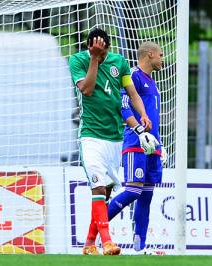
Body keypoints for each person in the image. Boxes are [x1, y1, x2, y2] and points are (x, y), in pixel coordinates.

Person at [69, 28, 157, 256]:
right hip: (91, 136)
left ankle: (89, 244)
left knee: (106, 192)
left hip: (115, 138)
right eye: (97, 52)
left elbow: (132, 93)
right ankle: (107, 242)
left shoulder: (120, 62)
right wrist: (94, 60)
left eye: (104, 52)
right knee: (98, 187)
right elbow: (87, 90)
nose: (102, 55)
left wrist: (143, 114)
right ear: (90, 48)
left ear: (108, 47)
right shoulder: (77, 61)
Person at [108, 41, 167, 255]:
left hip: (153, 145)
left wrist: (160, 144)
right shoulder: (133, 75)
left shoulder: (151, 81)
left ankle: (139, 248)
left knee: (146, 196)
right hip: (136, 143)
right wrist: (141, 132)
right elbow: (124, 107)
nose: (162, 59)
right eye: (160, 55)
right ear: (149, 54)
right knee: (133, 190)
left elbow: (152, 115)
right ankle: (97, 230)